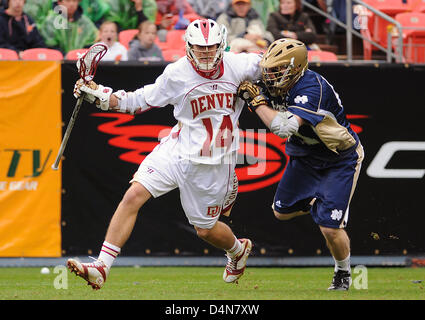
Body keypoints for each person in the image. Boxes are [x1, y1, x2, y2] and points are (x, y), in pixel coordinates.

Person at [67, 19, 261, 290]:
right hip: (177, 148)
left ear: (221, 44)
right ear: (188, 47)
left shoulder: (241, 65)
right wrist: (98, 94)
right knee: (133, 194)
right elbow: (137, 101)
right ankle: (101, 266)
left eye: (211, 47)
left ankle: (237, 251)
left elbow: (279, 63)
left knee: (205, 230)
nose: (205, 53)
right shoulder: (177, 73)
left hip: (213, 163)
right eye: (199, 47)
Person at [237, 38, 364, 291]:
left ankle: (343, 273)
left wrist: (257, 102)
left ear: (295, 68)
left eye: (277, 70)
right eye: (269, 69)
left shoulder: (311, 87)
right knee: (281, 211)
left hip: (338, 158)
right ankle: (324, 205)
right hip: (305, 156)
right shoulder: (275, 80)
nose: (270, 76)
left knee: (329, 228)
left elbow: (283, 128)